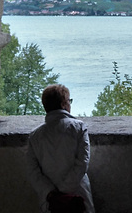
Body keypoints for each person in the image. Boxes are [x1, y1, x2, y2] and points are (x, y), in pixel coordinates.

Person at [26, 84, 95, 213]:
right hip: (78, 196)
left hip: (51, 202)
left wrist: (51, 193)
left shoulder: (35, 136)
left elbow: (33, 171)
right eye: (69, 101)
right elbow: (82, 162)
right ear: (64, 104)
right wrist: (65, 189)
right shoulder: (78, 128)